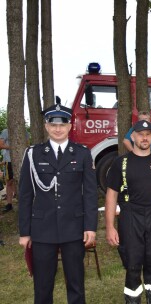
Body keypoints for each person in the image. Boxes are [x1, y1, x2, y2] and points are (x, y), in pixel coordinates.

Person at [18, 102, 98, 304]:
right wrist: (25, 232)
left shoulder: (82, 153)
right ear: (46, 126)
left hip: (74, 227)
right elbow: (26, 195)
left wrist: (90, 227)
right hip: (42, 229)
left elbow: (89, 193)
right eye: (53, 125)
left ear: (70, 126)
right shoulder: (33, 154)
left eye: (62, 125)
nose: (58, 129)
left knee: (76, 284)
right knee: (43, 286)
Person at [105, 120, 151, 303]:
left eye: (148, 134)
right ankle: (133, 296)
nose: (144, 138)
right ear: (133, 136)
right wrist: (109, 227)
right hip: (130, 214)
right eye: (140, 134)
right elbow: (111, 196)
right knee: (132, 257)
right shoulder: (120, 162)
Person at [0, 129, 16, 213]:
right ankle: (9, 204)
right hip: (9, 161)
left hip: (21, 160)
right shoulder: (6, 131)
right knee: (9, 182)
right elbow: (1, 145)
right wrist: (14, 146)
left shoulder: (26, 132)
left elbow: (27, 144)